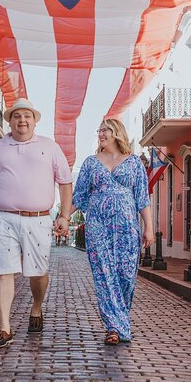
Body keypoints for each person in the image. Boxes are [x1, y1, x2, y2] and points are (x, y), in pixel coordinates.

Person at [0, 98, 72, 348]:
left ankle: (36, 308)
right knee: (2, 271)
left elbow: (66, 182)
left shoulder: (50, 147)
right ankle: (4, 327)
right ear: (10, 121)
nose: (22, 120)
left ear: (35, 121)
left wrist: (65, 216)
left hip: (38, 219)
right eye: (17, 116)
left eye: (27, 116)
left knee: (38, 272)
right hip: (1, 218)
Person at [71, 118, 153, 345]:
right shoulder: (90, 163)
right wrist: (61, 216)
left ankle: (120, 318)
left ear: (117, 132)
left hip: (127, 228)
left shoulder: (134, 163)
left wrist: (149, 227)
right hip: (98, 227)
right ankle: (114, 328)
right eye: (99, 130)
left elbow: (142, 198)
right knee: (105, 275)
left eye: (105, 130)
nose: (100, 134)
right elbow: (78, 196)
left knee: (126, 275)